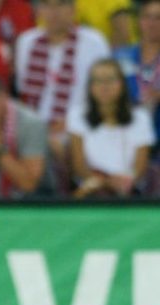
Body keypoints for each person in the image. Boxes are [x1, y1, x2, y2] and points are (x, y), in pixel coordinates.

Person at [16, 0, 110, 160]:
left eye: (61, 4)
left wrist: (70, 123)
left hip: (81, 128)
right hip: (34, 130)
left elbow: (106, 95)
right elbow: (22, 92)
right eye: (47, 5)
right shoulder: (26, 42)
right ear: (38, 11)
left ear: (73, 9)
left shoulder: (94, 42)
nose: (54, 12)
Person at [68, 58, 154, 197]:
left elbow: (140, 167)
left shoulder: (140, 118)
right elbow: (79, 165)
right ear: (90, 86)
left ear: (122, 84)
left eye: (110, 80)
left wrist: (123, 181)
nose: (104, 86)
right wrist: (104, 183)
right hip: (90, 187)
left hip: (128, 189)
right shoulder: (77, 115)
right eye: (98, 80)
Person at [114, 0, 160, 149]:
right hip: (124, 136)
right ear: (139, 21)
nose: (152, 23)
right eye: (147, 17)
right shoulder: (120, 56)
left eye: (158, 18)